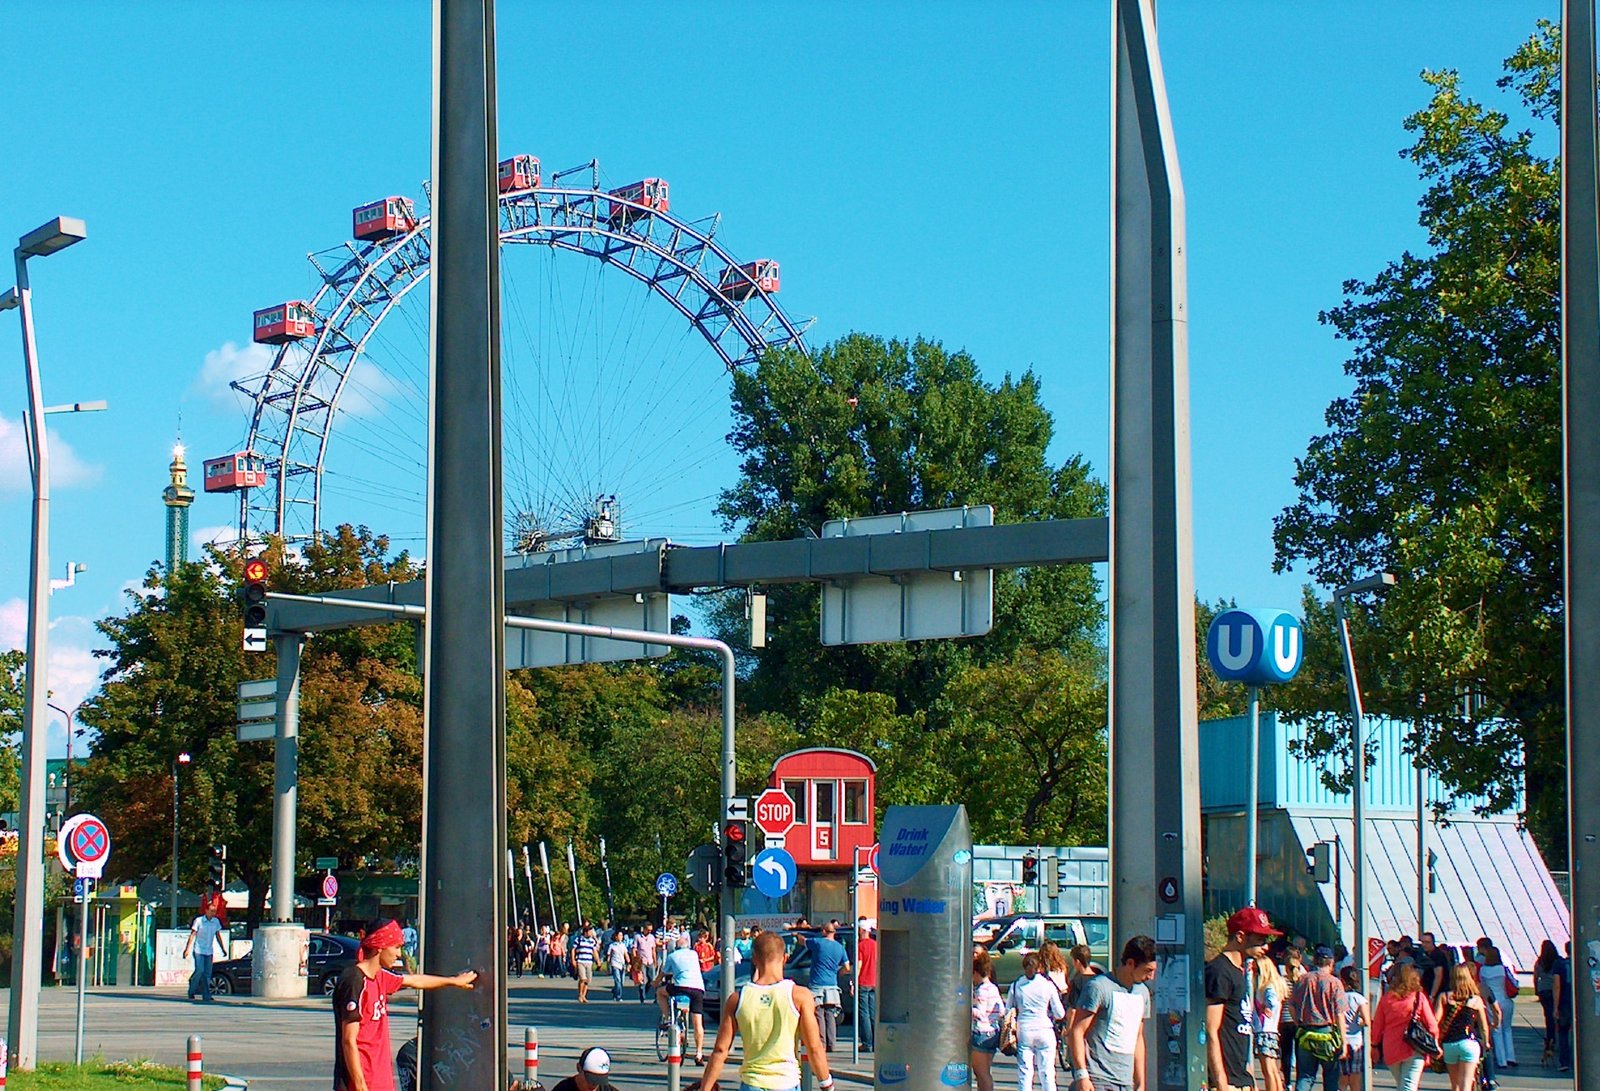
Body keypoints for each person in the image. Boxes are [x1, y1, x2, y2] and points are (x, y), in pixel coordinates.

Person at [332, 919, 476, 1091]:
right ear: (380, 946)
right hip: (361, 1082)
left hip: (381, 1079)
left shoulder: (380, 977)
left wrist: (453, 981)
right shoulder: (354, 981)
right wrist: (360, 1085)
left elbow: (415, 980)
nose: (399, 954)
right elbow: (349, 1040)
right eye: (396, 947)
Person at [693, 929, 834, 1091]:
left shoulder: (737, 999)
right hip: (786, 1082)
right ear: (785, 958)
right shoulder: (799, 996)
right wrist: (826, 1084)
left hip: (752, 1083)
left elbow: (720, 1050)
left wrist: (705, 1088)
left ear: (754, 959)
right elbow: (814, 1046)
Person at [1067, 934, 1157, 1091]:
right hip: (1097, 1079)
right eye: (1147, 970)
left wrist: (1141, 1082)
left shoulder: (1142, 993)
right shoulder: (1099, 987)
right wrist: (1082, 1075)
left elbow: (1138, 1038)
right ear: (1130, 963)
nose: (1150, 976)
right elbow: (1077, 1031)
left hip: (1126, 1080)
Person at [1207, 907, 1279, 1091]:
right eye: (1260, 940)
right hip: (1226, 1081)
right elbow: (1211, 1031)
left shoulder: (1238, 972)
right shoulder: (1220, 971)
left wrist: (1248, 1078)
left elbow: (1240, 1027)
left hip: (1241, 1079)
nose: (1266, 947)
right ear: (1240, 937)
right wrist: (1221, 1082)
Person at [1369, 963, 1441, 1091]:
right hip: (1414, 1046)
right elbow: (1431, 1025)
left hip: (1391, 1048)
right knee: (1408, 1086)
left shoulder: (1387, 999)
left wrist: (1374, 1045)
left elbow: (1377, 1026)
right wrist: (1434, 1043)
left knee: (1403, 1085)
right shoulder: (1419, 997)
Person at [1007, 951, 1067, 1090]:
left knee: (1025, 1072)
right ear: (1040, 967)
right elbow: (1060, 1013)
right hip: (1044, 1029)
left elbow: (1007, 1009)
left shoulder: (1016, 985)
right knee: (1047, 1072)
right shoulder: (1048, 985)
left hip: (1024, 1031)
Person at [1289, 946, 1346, 1091]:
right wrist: (1344, 1042)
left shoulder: (1303, 979)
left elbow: (1291, 1006)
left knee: (1305, 1076)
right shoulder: (1335, 983)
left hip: (1306, 1034)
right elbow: (1339, 1014)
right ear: (1331, 963)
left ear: (1315, 960)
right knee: (1331, 1077)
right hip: (1327, 1034)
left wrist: (1298, 1024)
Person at [1433, 965, 1491, 1091]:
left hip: (1450, 1044)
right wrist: (1486, 1042)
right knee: (1466, 1085)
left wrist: (1436, 1041)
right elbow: (1484, 1026)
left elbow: (1436, 1022)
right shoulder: (1476, 1000)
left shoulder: (1444, 997)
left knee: (1455, 1086)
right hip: (1469, 1042)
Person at [657, 933, 708, 1064]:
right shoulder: (694, 954)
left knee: (660, 993)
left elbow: (663, 973)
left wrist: (654, 983)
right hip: (698, 989)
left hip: (681, 987)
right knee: (697, 1022)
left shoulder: (672, 956)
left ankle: (668, 1017)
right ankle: (699, 1053)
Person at [806, 922, 851, 1053]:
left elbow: (804, 942)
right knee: (830, 1015)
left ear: (824, 931)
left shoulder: (818, 943)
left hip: (817, 985)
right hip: (832, 985)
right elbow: (847, 967)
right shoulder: (839, 948)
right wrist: (838, 973)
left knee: (819, 1013)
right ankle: (832, 1044)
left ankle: (822, 1044)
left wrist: (796, 934)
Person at [1474, 945, 1517, 1067]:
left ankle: (1501, 1060)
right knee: (1507, 1029)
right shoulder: (1503, 969)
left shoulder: (1483, 970)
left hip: (1492, 1001)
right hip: (1506, 1000)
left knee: (1496, 1030)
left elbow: (1483, 986)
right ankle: (1511, 1057)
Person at [971, 949, 1005, 1091]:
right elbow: (1002, 1011)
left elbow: (980, 1013)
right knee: (986, 1072)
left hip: (981, 1032)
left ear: (976, 972)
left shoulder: (981, 991)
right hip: (993, 1032)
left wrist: (966, 1008)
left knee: (981, 1074)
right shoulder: (993, 988)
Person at [1254, 952, 1287, 1091]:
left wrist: (1264, 1007)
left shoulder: (1267, 987)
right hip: (1271, 1030)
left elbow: (1272, 1002)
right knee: (1273, 1070)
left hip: (1264, 1030)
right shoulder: (1275, 985)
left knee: (1267, 1070)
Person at [182, 900, 227, 1003]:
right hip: (199, 949)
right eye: (211, 911)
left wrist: (222, 948)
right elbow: (193, 934)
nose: (213, 913)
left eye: (214, 911)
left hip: (209, 950)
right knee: (200, 970)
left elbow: (218, 935)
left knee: (207, 974)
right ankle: (192, 989)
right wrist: (187, 949)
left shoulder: (215, 921)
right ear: (206, 910)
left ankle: (206, 995)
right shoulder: (199, 921)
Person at [1279, 945, 1306, 1090]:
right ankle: (1300, 1082)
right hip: (1300, 1020)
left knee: (1286, 1053)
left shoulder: (1281, 979)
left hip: (1284, 1019)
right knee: (1300, 1054)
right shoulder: (1303, 980)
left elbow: (1280, 1000)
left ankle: (1287, 1082)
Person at [1336, 967, 1368, 1091]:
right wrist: (1360, 1021)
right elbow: (1366, 1021)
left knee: (1342, 1078)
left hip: (1341, 1040)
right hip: (1356, 1042)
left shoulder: (1339, 997)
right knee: (1355, 1078)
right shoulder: (1359, 998)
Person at [1534, 938, 1559, 1063]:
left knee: (1547, 1015)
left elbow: (1536, 976)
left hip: (1543, 990)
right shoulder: (1557, 961)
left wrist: (1536, 990)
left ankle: (1550, 1037)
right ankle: (1555, 1037)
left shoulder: (1540, 962)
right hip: (1554, 989)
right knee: (1556, 1014)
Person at [549, 1047, 615, 1091]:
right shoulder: (562, 1089)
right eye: (591, 1079)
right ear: (579, 1068)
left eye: (599, 1080)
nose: (594, 1085)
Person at [855, 924, 878, 1052]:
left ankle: (867, 1043)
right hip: (874, 982)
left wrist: (853, 981)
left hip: (863, 981)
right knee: (873, 1012)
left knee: (864, 1014)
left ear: (862, 931)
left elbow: (859, 965)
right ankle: (876, 1042)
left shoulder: (860, 946)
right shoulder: (875, 945)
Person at [571, 924, 598, 1002]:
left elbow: (594, 951)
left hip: (589, 962)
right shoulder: (578, 939)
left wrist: (597, 960)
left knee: (588, 980)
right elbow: (573, 950)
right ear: (586, 932)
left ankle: (584, 995)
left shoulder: (592, 941)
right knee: (583, 979)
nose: (592, 933)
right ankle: (580, 995)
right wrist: (573, 960)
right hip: (580, 961)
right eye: (590, 931)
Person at [606, 929, 629, 1001]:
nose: (621, 937)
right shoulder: (612, 945)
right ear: (616, 937)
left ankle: (615, 991)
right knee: (617, 980)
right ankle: (618, 996)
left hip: (622, 964)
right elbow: (609, 956)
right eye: (619, 935)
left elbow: (626, 954)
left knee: (621, 982)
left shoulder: (623, 945)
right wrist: (608, 966)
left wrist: (629, 963)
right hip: (615, 964)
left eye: (622, 935)